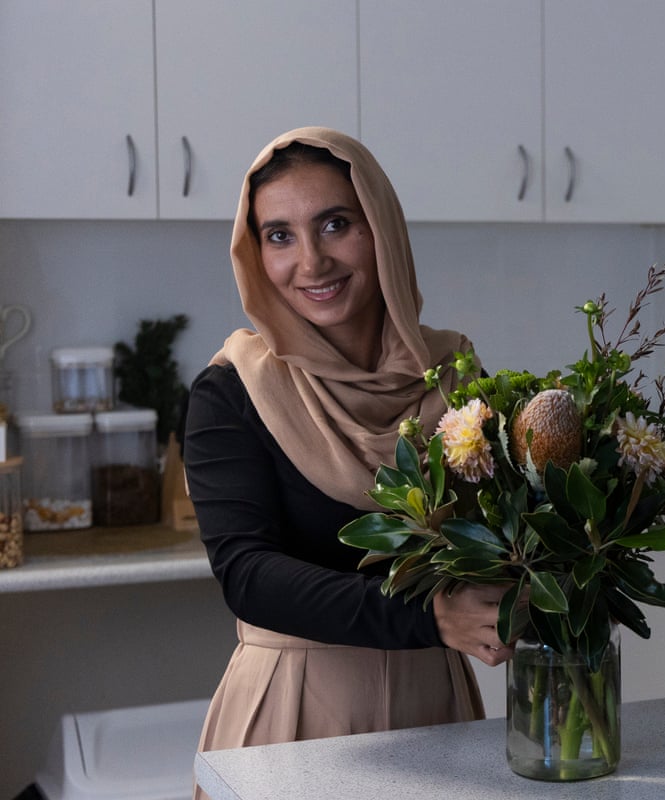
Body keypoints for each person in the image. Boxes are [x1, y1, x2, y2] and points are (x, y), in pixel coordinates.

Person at [183, 127, 511, 794]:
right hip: (292, 713)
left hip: (436, 708)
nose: (311, 261)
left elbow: (503, 532)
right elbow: (248, 573)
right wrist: (431, 615)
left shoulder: (456, 375)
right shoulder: (234, 391)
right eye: (279, 236)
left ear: (381, 228)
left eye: (335, 224)